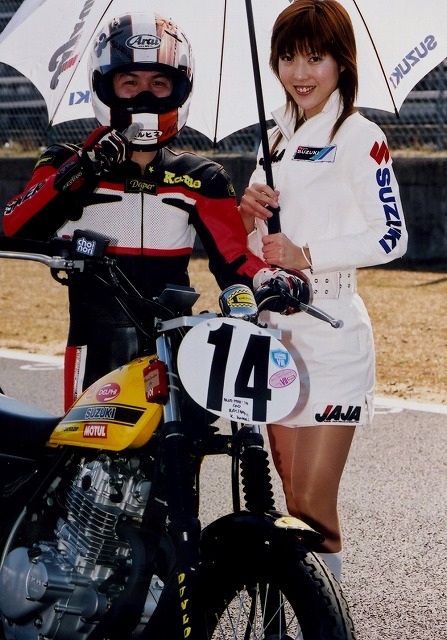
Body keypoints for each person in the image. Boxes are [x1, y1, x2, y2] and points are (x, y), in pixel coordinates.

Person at [3, 12, 306, 411]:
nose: (144, 95)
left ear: (179, 89)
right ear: (105, 86)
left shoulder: (203, 177)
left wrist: (271, 278)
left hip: (179, 344)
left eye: (159, 83)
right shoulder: (64, 161)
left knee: (192, 444)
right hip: (97, 346)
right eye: (130, 82)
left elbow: (232, 259)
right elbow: (15, 226)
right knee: (85, 447)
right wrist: (84, 168)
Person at [239, 0, 408, 581]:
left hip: (333, 334)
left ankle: (328, 619)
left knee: (312, 506)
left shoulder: (361, 136)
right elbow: (259, 245)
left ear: (341, 61)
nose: (300, 72)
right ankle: (298, 613)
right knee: (290, 500)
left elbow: (391, 236)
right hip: (275, 334)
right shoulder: (272, 140)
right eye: (288, 57)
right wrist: (247, 213)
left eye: (315, 57)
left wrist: (307, 255)